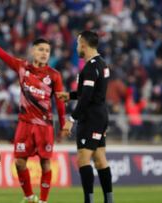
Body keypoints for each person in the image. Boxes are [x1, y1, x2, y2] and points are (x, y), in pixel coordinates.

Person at [0, 38, 66, 203]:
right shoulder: (22, 67)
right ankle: (30, 197)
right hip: (24, 124)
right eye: (41, 49)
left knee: (45, 163)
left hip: (45, 126)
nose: (44, 53)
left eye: (47, 51)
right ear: (33, 51)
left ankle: (43, 201)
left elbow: (59, 102)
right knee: (19, 162)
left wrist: (63, 125)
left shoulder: (54, 75)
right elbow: (3, 56)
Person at [57, 31, 114, 203]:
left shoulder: (90, 68)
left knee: (83, 159)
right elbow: (89, 93)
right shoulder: (102, 64)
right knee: (100, 159)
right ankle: (109, 200)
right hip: (101, 116)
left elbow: (87, 97)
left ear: (83, 44)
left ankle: (88, 201)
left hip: (90, 119)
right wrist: (71, 95)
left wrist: (71, 119)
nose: (76, 47)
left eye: (77, 44)